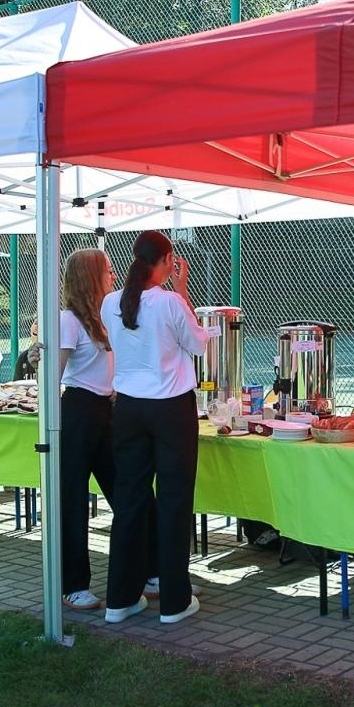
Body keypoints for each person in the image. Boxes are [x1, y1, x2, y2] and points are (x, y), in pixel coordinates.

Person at [101, 232, 209, 626]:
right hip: (170, 409)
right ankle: (173, 601)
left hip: (128, 408)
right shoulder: (170, 303)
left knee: (129, 501)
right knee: (174, 500)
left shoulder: (110, 303)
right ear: (165, 261)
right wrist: (183, 293)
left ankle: (119, 599)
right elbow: (198, 345)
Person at [56, 250, 152, 612]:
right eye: (108, 270)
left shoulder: (109, 311)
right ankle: (72, 584)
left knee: (129, 492)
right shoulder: (68, 320)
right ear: (89, 276)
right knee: (74, 502)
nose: (113, 275)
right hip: (79, 410)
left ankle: (148, 571)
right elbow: (56, 371)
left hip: (109, 410)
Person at [13, 317, 41, 382]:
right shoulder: (23, 357)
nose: (37, 327)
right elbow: (16, 386)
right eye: (36, 323)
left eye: (42, 325)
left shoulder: (59, 358)